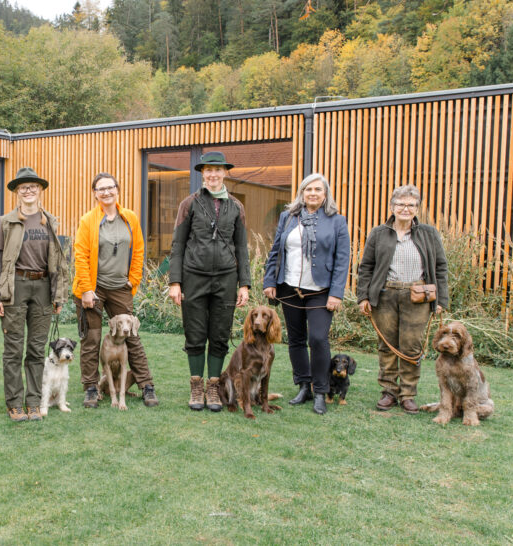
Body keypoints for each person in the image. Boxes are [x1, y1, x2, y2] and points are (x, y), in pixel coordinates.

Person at [167, 151, 251, 412]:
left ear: (225, 173)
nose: (213, 174)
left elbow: (242, 247)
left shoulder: (236, 207)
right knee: (194, 333)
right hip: (193, 277)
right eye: (208, 170)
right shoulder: (189, 204)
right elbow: (178, 245)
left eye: (217, 170)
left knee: (219, 334)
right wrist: (175, 282)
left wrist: (244, 284)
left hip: (226, 279)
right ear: (202, 173)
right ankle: (196, 386)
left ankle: (213, 387)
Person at [263, 173, 350, 415]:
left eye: (317, 189)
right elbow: (276, 251)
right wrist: (270, 280)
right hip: (289, 287)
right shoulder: (288, 217)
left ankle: (321, 390)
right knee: (296, 339)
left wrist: (336, 293)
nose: (312, 193)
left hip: (320, 291)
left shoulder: (337, 221)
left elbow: (342, 259)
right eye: (308, 189)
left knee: (318, 339)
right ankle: (304, 385)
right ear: (301, 193)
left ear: (325, 194)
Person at [357, 184, 447, 414]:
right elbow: (366, 267)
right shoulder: (379, 233)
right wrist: (363, 297)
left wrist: (441, 301)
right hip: (385, 296)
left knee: (411, 347)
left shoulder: (428, 233)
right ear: (392, 207)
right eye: (400, 204)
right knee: (386, 346)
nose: (405, 208)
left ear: (417, 208)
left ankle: (408, 394)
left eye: (411, 205)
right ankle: (389, 392)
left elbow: (440, 267)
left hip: (418, 297)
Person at [73, 172, 159, 408]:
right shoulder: (88, 220)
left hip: (120, 287)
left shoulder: (129, 218)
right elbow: (80, 256)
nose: (106, 192)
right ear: (95, 194)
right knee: (91, 339)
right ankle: (91, 388)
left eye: (110, 187)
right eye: (101, 189)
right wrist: (86, 289)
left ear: (117, 190)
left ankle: (146, 385)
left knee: (132, 337)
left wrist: (134, 279)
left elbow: (139, 250)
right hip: (93, 289)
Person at [0, 167, 69, 422]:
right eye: (23, 187)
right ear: (17, 191)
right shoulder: (7, 221)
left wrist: (58, 295)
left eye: (33, 186)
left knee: (36, 349)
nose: (28, 190)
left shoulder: (50, 221)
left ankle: (34, 402)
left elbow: (57, 260)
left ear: (40, 190)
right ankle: (15, 404)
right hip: (15, 286)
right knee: (13, 349)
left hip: (43, 288)